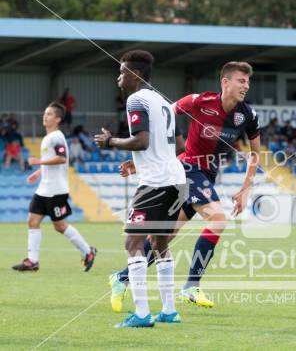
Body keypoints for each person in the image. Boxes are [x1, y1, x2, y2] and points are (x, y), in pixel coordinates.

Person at [108, 61, 260, 311]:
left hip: (205, 176)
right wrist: (139, 161)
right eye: (241, 81)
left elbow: (255, 154)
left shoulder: (248, 115)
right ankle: (191, 285)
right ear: (225, 82)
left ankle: (121, 277)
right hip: (187, 168)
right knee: (218, 220)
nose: (246, 86)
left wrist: (246, 188)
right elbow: (161, 122)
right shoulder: (198, 101)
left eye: (248, 82)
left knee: (165, 236)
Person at [95, 50, 187, 328]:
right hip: (176, 179)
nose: (119, 77)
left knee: (132, 243)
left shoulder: (136, 100)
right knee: (159, 243)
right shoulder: (163, 101)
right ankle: (169, 311)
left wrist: (110, 141)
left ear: (135, 74)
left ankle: (143, 314)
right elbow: (180, 146)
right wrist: (139, 163)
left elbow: (141, 141)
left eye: (122, 72)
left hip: (156, 182)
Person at [12, 102, 96, 272]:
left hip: (56, 191)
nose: (45, 116)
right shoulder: (48, 137)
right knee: (32, 221)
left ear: (57, 119)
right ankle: (32, 261)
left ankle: (88, 251)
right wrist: (39, 171)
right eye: (45, 113)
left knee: (60, 226)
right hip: (44, 189)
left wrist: (39, 161)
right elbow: (52, 161)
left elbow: (61, 158)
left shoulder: (56, 136)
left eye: (49, 114)